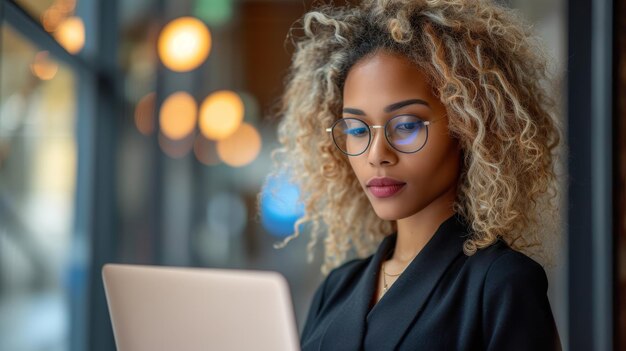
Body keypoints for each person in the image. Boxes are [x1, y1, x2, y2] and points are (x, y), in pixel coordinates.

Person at [261, 0, 563, 349]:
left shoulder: (500, 283)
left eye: (405, 125)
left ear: (468, 127)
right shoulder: (337, 288)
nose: (377, 156)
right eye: (358, 129)